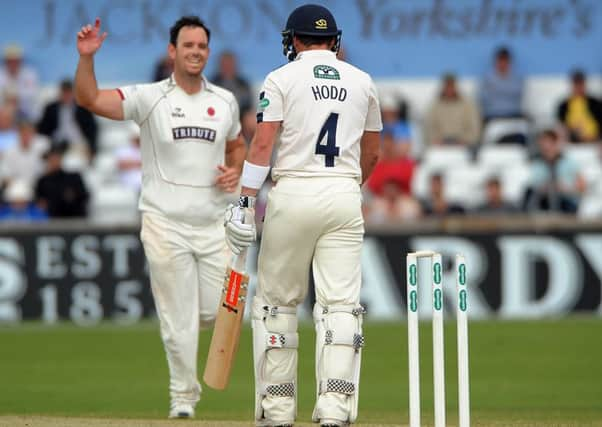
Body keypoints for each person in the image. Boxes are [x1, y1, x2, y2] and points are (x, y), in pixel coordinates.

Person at [73, 16, 246, 418]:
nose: (195, 52)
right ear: (172, 51)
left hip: (212, 225)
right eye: (188, 45)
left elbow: (237, 147)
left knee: (216, 313)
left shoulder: (224, 101)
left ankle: (185, 382)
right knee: (177, 319)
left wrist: (234, 169)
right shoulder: (150, 98)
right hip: (164, 223)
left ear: (208, 51)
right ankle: (183, 398)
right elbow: (89, 99)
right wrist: (86, 59)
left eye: (202, 46)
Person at [223, 4, 382, 426]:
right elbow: (373, 153)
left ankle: (277, 412)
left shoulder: (281, 78)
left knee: (277, 303)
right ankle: (335, 410)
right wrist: (348, 187)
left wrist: (244, 201)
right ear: (335, 40)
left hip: (293, 192)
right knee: (341, 307)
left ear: (293, 40)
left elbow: (262, 144)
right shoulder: (362, 81)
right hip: (345, 194)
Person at [524, 129, 586, 213]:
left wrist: (566, 189)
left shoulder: (569, 163)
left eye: (549, 143)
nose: (546, 147)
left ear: (555, 143)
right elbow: (533, 187)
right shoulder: (537, 164)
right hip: (543, 200)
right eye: (543, 144)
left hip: (566, 201)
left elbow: (582, 187)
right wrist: (546, 187)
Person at [37, 78, 98, 159]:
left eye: (68, 92)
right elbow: (42, 129)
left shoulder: (83, 109)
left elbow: (92, 129)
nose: (66, 95)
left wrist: (92, 148)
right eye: (64, 92)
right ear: (60, 93)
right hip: (56, 145)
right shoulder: (51, 109)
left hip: (78, 144)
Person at [424, 73, 481, 147]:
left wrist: (466, 140)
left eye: (451, 86)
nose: (449, 89)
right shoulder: (434, 106)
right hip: (440, 146)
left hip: (463, 145)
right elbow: (429, 127)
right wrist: (436, 140)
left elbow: (474, 127)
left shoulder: (468, 106)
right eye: (447, 86)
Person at [35, 144, 89, 218]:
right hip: (52, 222)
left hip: (74, 220)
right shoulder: (42, 181)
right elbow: (39, 203)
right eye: (51, 158)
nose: (54, 161)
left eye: (56, 157)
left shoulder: (73, 178)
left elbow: (84, 196)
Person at [480, 46, 524, 122]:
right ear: (496, 61)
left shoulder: (517, 77)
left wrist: (496, 89)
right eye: (500, 60)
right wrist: (507, 90)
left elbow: (517, 93)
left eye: (505, 61)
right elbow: (484, 98)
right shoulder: (487, 78)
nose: (503, 64)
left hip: (513, 114)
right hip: (493, 115)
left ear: (509, 62)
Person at [557, 70, 602, 143]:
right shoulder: (564, 104)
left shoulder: (596, 103)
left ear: (584, 84)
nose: (578, 87)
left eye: (580, 84)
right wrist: (572, 130)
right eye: (576, 84)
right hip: (572, 140)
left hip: (594, 141)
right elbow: (561, 125)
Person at [0, 44, 39, 121]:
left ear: (21, 61)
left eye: (16, 61)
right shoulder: (1, 73)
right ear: (5, 61)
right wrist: (7, 99)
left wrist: (18, 97)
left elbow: (33, 93)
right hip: (3, 113)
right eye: (10, 61)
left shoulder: (30, 73)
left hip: (25, 112)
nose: (13, 64)